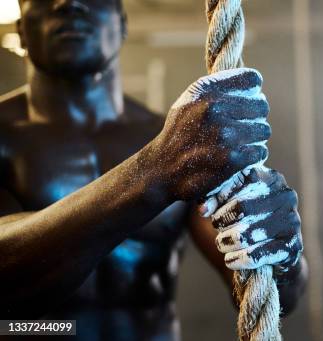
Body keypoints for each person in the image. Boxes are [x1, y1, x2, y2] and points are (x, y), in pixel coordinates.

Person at [0, 0, 307, 339]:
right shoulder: (175, 150)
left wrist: (281, 249)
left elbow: (282, 294)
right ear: (20, 32)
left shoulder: (184, 143)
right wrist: (154, 172)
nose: (68, 3)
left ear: (122, 25)